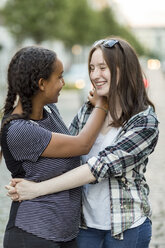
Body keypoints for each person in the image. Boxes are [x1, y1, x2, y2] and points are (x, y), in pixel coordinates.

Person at [7, 37, 159, 248]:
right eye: (92, 68)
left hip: (126, 228)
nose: (95, 75)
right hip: (85, 228)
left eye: (103, 68)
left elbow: (97, 167)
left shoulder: (144, 121)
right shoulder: (88, 111)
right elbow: (68, 152)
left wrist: (36, 189)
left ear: (124, 70)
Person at [0, 45, 108, 248]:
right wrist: (103, 102)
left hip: (63, 233)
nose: (63, 83)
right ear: (42, 83)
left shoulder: (51, 111)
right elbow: (82, 144)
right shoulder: (20, 129)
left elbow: (73, 140)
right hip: (33, 234)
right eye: (59, 77)